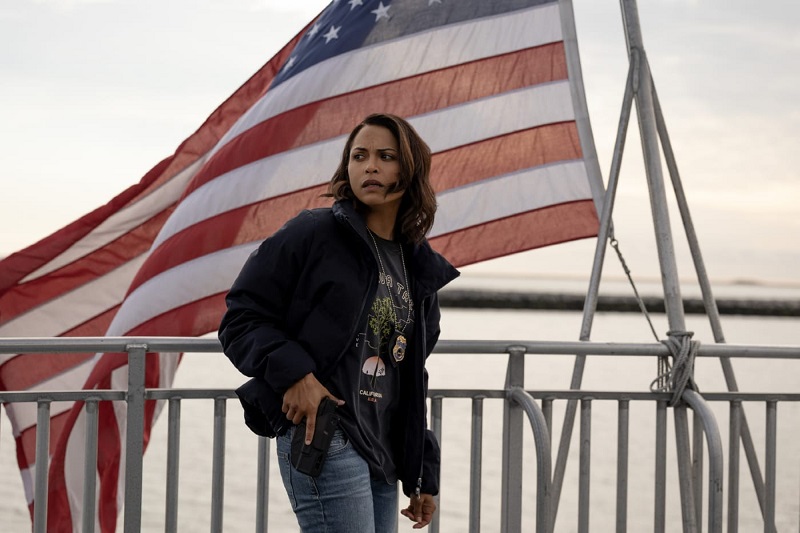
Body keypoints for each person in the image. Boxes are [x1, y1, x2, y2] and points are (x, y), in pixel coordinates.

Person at [218, 113, 459, 532]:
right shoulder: (314, 233)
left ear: (411, 168)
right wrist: (297, 375)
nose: (370, 166)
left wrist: (422, 471)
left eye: (386, 156)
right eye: (359, 155)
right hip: (324, 431)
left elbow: (409, 379)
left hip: (380, 447)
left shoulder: (417, 266)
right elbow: (241, 317)